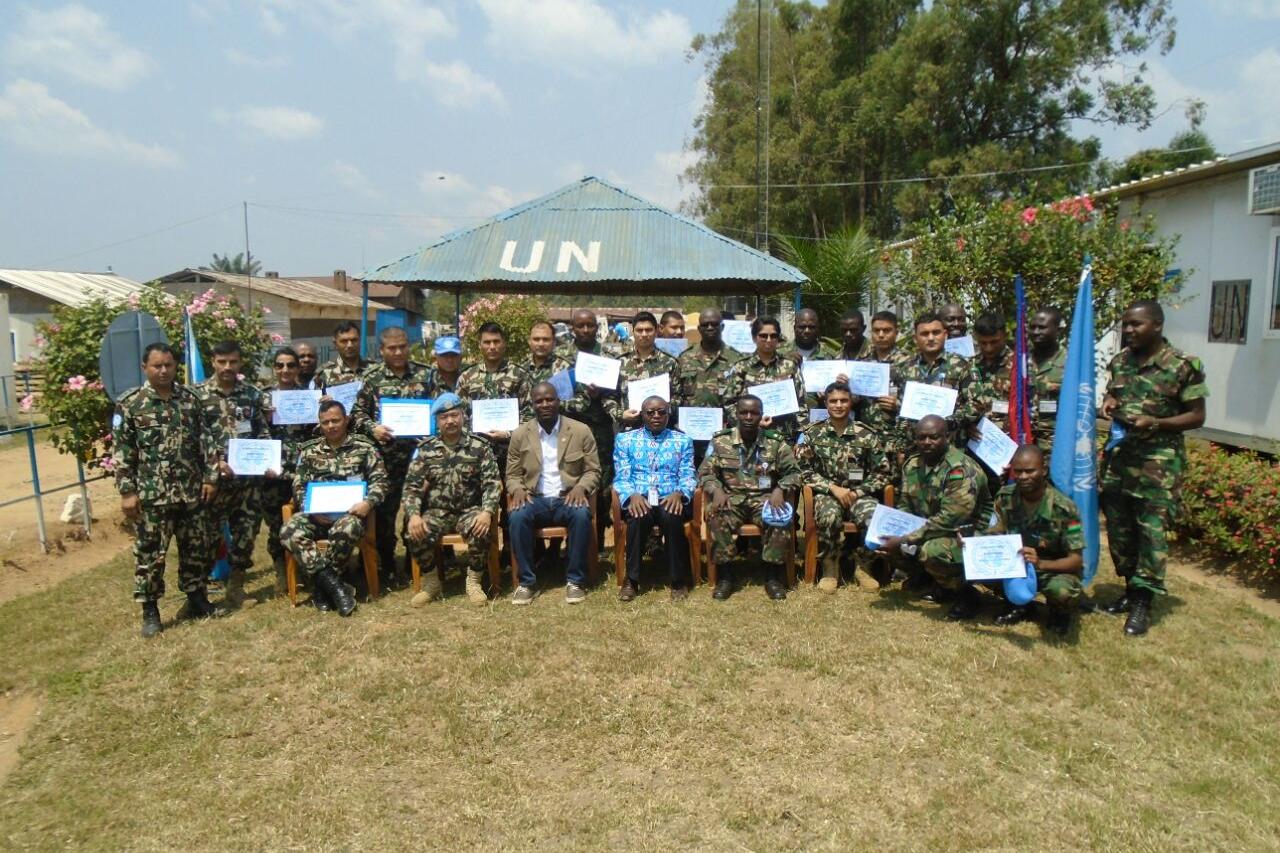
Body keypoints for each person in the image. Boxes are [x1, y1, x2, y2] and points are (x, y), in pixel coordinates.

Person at [1099, 300, 1208, 637]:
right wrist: (1109, 402)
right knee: (1120, 529)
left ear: (1157, 325)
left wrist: (1157, 423)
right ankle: (1130, 588)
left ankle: (1143, 601)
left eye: (1136, 324)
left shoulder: (1183, 365)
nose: (1129, 330)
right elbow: (1114, 394)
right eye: (1126, 324)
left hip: (1157, 465)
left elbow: (1197, 415)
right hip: (1120, 460)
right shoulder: (1120, 361)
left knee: (1150, 532)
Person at [113, 343, 225, 637]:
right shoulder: (131, 404)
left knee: (196, 548)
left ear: (176, 366)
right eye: (157, 366)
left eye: (168, 365)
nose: (163, 371)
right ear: (145, 368)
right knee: (151, 554)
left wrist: (211, 478)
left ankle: (197, 597)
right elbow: (123, 451)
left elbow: (206, 442)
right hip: (153, 496)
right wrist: (127, 491)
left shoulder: (190, 399)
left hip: (191, 492)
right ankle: (150, 610)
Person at [875, 416, 991, 619]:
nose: (927, 442)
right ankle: (929, 580)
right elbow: (905, 504)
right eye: (921, 438)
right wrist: (894, 530)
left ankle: (966, 594)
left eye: (934, 437)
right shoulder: (913, 465)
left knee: (932, 550)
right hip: (930, 529)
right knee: (884, 540)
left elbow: (951, 519)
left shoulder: (961, 469)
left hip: (967, 536)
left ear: (947, 437)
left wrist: (905, 539)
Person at [281, 400, 387, 617]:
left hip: (350, 515)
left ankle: (322, 589)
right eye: (325, 422)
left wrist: (368, 503)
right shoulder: (309, 451)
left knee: (347, 528)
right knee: (289, 531)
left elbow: (381, 482)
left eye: (335, 420)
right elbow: (298, 485)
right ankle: (336, 587)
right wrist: (309, 508)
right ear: (320, 424)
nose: (331, 426)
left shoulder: (365, 448)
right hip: (316, 515)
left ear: (346, 420)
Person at [350, 326, 433, 587]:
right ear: (382, 350)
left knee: (418, 508)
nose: (398, 352)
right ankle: (386, 564)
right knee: (385, 515)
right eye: (392, 348)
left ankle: (413, 562)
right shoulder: (372, 377)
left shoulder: (425, 374)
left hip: (418, 458)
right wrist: (373, 427)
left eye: (402, 347)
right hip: (385, 459)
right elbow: (357, 414)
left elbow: (438, 408)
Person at [698, 395, 802, 601]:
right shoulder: (720, 441)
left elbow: (795, 473)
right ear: (736, 414)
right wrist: (716, 489)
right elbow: (704, 472)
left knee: (779, 517)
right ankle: (725, 575)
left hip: (765, 499)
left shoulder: (775, 442)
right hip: (730, 499)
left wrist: (780, 489)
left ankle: (772, 575)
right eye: (743, 412)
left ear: (761, 415)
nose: (748, 417)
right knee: (716, 515)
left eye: (754, 413)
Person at [505, 383, 601, 605]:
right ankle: (526, 583)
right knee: (517, 516)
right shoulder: (520, 434)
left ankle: (575, 581)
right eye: (539, 401)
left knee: (581, 514)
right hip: (534, 499)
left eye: (550, 399)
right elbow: (512, 474)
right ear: (532, 405)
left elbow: (593, 470)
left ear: (558, 401)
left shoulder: (580, 430)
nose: (545, 404)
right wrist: (517, 489)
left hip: (567, 497)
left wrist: (581, 487)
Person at [402, 394, 501, 605]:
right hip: (437, 512)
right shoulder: (425, 449)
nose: (450, 421)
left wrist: (487, 512)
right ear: (437, 421)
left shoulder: (479, 446)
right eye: (444, 417)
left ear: (463, 416)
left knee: (481, 529)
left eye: (454, 415)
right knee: (414, 532)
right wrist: (414, 515)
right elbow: (411, 487)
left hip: (470, 510)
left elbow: (492, 483)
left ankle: (474, 581)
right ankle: (432, 582)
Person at [795, 382, 892, 593]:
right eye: (833, 401)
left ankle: (864, 565)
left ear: (851, 403)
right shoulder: (812, 433)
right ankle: (830, 566)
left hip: (858, 494)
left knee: (873, 517)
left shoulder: (866, 434)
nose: (838, 405)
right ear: (826, 403)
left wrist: (858, 492)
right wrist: (832, 488)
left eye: (843, 400)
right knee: (829, 516)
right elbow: (803, 470)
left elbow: (882, 472)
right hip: (828, 493)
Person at [198, 340, 270, 607]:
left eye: (233, 361)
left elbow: (262, 431)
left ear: (240, 363)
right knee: (206, 537)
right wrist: (215, 464)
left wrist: (267, 459)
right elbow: (193, 439)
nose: (227, 367)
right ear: (213, 361)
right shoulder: (197, 396)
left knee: (246, 535)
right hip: (213, 482)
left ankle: (236, 588)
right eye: (222, 361)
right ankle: (198, 594)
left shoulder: (251, 394)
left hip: (247, 483)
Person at [986, 445, 1085, 636]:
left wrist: (1041, 563)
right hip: (1017, 565)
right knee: (981, 570)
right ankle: (1020, 605)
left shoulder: (1064, 508)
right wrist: (974, 546)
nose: (1023, 477)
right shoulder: (1005, 497)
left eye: (1030, 471)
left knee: (1062, 591)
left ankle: (1059, 613)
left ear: (1044, 470)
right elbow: (995, 534)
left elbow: (1076, 560)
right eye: (1018, 471)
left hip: (1052, 568)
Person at [613, 395, 696, 601]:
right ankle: (631, 580)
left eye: (661, 412)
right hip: (638, 496)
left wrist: (680, 493)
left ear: (669, 414)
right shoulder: (625, 440)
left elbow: (688, 475)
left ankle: (678, 580)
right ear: (642, 415)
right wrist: (631, 495)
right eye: (650, 412)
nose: (656, 416)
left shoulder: (682, 440)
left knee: (672, 516)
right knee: (638, 516)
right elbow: (621, 476)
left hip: (670, 496)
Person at [559, 308, 620, 547]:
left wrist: (601, 393)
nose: (585, 330)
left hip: (600, 428)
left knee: (602, 480)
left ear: (597, 327)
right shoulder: (561, 357)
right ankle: (571, 539)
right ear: (572, 328)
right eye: (580, 326)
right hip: (570, 427)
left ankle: (599, 537)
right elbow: (556, 394)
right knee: (570, 477)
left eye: (590, 325)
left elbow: (619, 392)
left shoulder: (609, 356)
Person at [259, 347, 315, 592]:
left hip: (303, 471)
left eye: (291, 365)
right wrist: (264, 418)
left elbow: (318, 432)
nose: (285, 370)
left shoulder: (309, 397)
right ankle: (281, 570)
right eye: (280, 365)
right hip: (273, 473)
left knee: (305, 520)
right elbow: (252, 433)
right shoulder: (263, 398)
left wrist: (320, 407)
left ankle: (306, 568)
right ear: (274, 368)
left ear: (298, 368)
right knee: (275, 524)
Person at [886, 312, 979, 449]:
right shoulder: (904, 368)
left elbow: (977, 404)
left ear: (945, 335)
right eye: (924, 334)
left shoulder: (962, 365)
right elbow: (901, 412)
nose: (930, 338)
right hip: (913, 447)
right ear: (915, 338)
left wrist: (948, 422)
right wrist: (900, 446)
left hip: (950, 446)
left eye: (936, 333)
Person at [456, 321, 532, 474]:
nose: (492, 346)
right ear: (480, 345)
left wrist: (508, 434)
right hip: (476, 455)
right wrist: (473, 439)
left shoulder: (519, 375)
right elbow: (460, 415)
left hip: (512, 453)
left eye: (496, 341)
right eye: (487, 342)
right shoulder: (467, 377)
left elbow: (529, 414)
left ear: (504, 344)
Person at [674, 307, 741, 467]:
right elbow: (677, 394)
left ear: (722, 327)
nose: (710, 327)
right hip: (689, 436)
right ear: (699, 328)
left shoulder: (736, 359)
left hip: (723, 436)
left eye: (714, 324)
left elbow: (741, 397)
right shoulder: (685, 358)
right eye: (705, 325)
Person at [725, 316, 806, 443]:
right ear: (754, 338)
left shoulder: (790, 366)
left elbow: (801, 404)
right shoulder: (741, 367)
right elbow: (729, 403)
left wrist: (801, 436)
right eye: (763, 336)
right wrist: (750, 422)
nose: (768, 340)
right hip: (750, 438)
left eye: (773, 336)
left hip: (784, 439)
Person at [855, 310, 907, 458]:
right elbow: (854, 398)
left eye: (886, 330)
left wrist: (898, 405)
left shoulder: (908, 363)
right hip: (866, 437)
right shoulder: (862, 362)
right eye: (876, 330)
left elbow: (917, 403)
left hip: (894, 439)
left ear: (896, 332)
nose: (881, 335)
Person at [617, 311, 678, 431]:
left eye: (648, 330)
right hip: (630, 430)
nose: (644, 334)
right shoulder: (620, 362)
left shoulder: (670, 362)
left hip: (662, 431)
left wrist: (663, 412)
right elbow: (609, 397)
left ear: (656, 331)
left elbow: (678, 395)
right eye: (639, 330)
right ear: (633, 332)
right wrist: (621, 415)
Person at [1028, 307, 1067, 458]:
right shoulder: (1020, 361)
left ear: (1058, 330)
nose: (1036, 332)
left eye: (1042, 327)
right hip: (1023, 443)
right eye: (1032, 327)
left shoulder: (1071, 363)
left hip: (1056, 446)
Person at [315, 320, 369, 388]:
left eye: (354, 340)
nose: (350, 345)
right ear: (335, 344)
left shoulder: (374, 369)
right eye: (344, 341)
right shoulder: (323, 373)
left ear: (360, 341)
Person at [521, 320, 573, 385]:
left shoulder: (566, 369)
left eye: (546, 339)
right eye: (536, 339)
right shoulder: (520, 366)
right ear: (529, 341)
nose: (541, 344)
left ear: (554, 342)